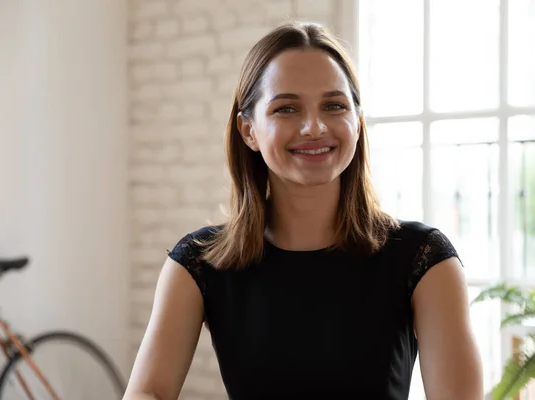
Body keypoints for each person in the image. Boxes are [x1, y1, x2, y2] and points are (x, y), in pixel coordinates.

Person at [123, 21, 484, 400]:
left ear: (357, 124)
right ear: (249, 131)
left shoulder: (424, 260)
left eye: (334, 105)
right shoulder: (197, 264)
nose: (314, 127)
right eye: (286, 108)